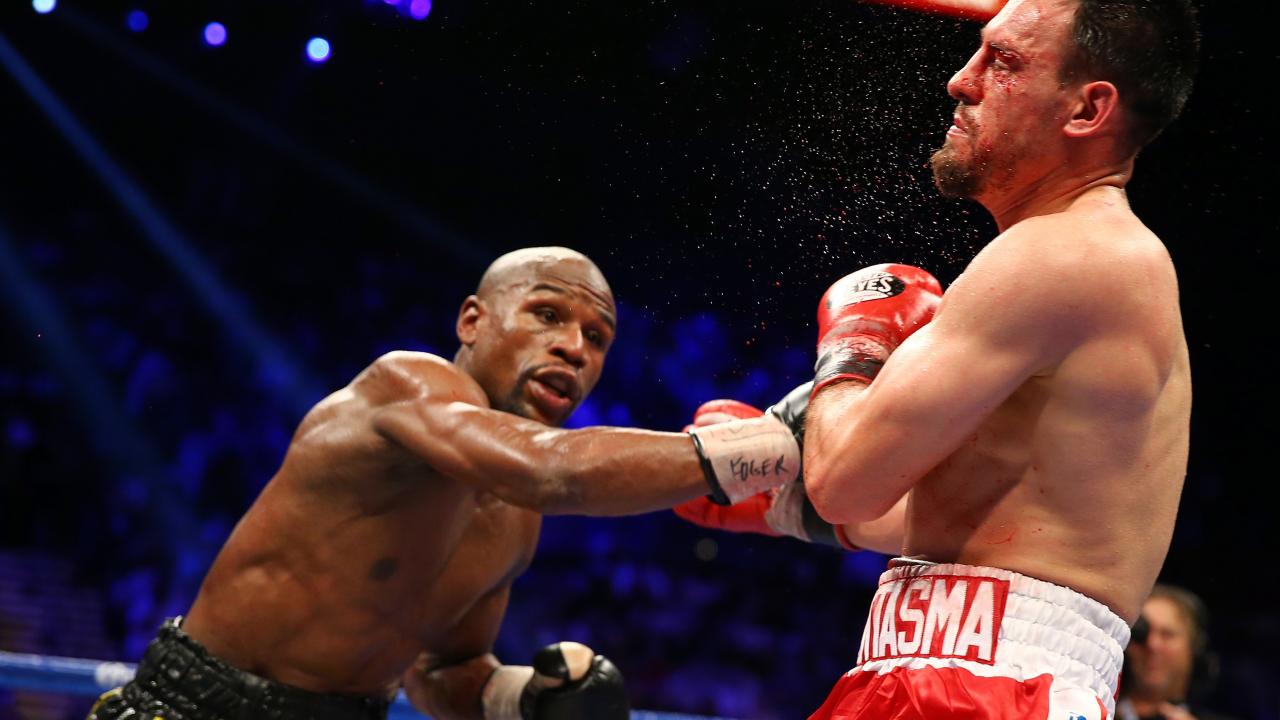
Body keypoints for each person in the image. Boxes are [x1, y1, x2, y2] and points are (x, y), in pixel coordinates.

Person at [681, 1, 1200, 717]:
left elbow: (843, 481)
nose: (961, 80)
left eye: (1004, 61)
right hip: (972, 675)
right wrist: (788, 503)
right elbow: (994, 520)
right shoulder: (1096, 261)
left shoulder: (1066, 253)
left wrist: (857, 346)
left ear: (1087, 109)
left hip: (987, 689)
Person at [87, 246, 808, 720]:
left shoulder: (514, 518)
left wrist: (522, 697)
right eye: (548, 315)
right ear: (472, 320)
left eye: (597, 339)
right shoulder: (406, 385)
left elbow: (442, 668)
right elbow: (552, 468)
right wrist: (770, 445)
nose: (573, 348)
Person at [1117, 584, 1238, 720]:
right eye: (1141, 634)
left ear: (1194, 649)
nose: (1152, 644)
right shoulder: (1099, 711)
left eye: (1167, 635)